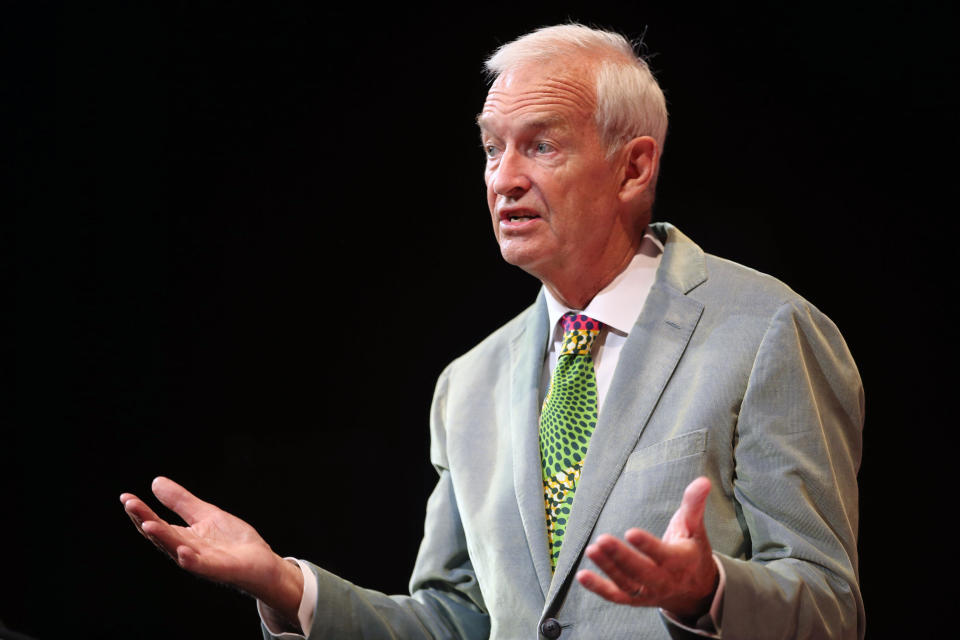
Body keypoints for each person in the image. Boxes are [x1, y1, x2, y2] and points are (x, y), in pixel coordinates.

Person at [121, 24, 864, 639]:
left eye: (539, 145)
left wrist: (708, 591)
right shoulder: (467, 385)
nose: (503, 178)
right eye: (490, 148)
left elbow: (831, 607)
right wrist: (286, 585)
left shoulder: (766, 330)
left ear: (634, 167)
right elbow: (455, 622)